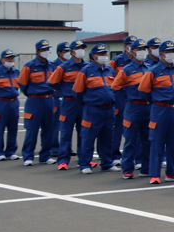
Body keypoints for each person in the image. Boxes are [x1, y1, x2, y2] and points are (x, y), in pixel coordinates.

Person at [138, 41, 174, 184]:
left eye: (173, 51)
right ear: (161, 54)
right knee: (157, 142)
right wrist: (158, 100)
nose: (172, 54)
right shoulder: (153, 71)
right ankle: (154, 174)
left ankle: (172, 172)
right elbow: (143, 91)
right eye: (169, 51)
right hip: (160, 109)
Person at [73, 43, 117, 174]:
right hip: (92, 110)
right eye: (101, 54)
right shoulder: (86, 71)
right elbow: (77, 92)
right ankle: (85, 163)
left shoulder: (110, 70)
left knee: (107, 137)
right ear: (93, 56)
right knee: (88, 137)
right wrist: (88, 104)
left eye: (105, 53)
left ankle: (107, 162)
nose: (104, 56)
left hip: (108, 109)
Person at [111, 39, 152, 179]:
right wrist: (128, 96)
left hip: (148, 107)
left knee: (147, 140)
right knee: (130, 139)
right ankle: (127, 168)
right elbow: (115, 88)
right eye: (139, 49)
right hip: (133, 107)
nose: (142, 52)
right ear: (133, 51)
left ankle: (145, 168)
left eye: (144, 49)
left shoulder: (149, 68)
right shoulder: (126, 70)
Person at [18, 39, 59, 166]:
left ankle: (45, 156)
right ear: (37, 51)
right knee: (32, 129)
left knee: (48, 129)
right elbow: (22, 84)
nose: (46, 52)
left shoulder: (52, 65)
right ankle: (28, 156)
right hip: (34, 100)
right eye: (43, 50)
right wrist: (32, 94)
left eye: (47, 49)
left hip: (49, 100)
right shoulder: (29, 66)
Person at [50, 40, 87, 170]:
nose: (81, 50)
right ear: (71, 51)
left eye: (82, 48)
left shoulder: (87, 66)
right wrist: (64, 92)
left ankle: (83, 159)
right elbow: (52, 83)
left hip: (83, 103)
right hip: (68, 103)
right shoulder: (63, 67)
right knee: (66, 132)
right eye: (78, 48)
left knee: (84, 132)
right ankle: (63, 160)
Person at [109, 35, 139, 166]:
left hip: (136, 99)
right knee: (119, 127)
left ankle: (138, 156)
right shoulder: (116, 61)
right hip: (121, 98)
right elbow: (110, 80)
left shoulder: (142, 62)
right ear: (125, 46)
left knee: (137, 129)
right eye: (130, 44)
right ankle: (115, 154)